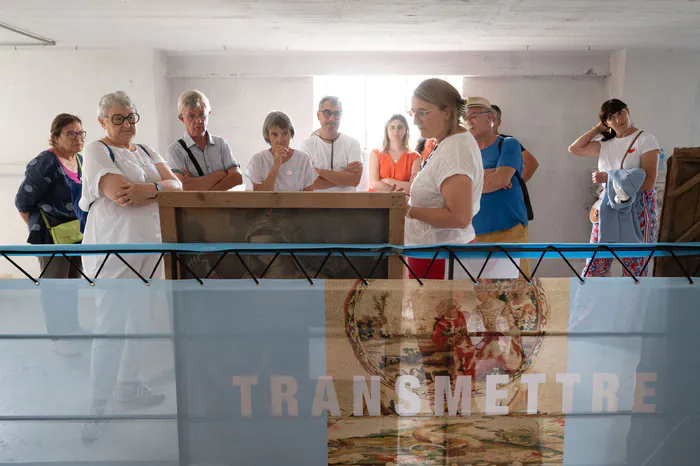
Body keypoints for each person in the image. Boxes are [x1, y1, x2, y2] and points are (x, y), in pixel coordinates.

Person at [78, 90, 183, 442]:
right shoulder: (97, 151)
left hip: (150, 252)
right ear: (103, 122)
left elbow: (177, 185)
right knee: (110, 328)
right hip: (115, 255)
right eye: (118, 118)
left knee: (140, 323)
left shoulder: (148, 151)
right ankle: (97, 405)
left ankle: (129, 386)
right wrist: (154, 189)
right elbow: (118, 192)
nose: (126, 124)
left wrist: (148, 189)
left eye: (130, 117)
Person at [15, 113, 86, 357]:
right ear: (56, 137)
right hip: (49, 236)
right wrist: (38, 229)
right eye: (71, 133)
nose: (78, 138)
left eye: (80, 133)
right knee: (55, 288)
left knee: (72, 284)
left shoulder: (80, 160)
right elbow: (22, 201)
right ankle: (59, 339)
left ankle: (72, 328)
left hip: (75, 234)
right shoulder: (45, 162)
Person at [568, 98, 660, 277]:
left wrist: (609, 178)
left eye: (620, 113)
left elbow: (648, 182)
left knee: (635, 267)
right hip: (608, 206)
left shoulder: (645, 139)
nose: (618, 119)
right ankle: (594, 305)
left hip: (638, 206)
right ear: (605, 122)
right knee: (595, 264)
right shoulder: (605, 144)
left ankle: (634, 305)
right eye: (611, 117)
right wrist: (597, 129)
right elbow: (574, 148)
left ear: (627, 111)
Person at [404, 79, 484, 279]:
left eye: (423, 112)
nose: (415, 120)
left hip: (442, 257)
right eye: (413, 112)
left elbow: (459, 217)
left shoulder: (455, 150)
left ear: (447, 112)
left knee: (438, 311)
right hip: (435, 253)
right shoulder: (448, 142)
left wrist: (408, 211)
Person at [465, 97, 530, 276]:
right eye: (466, 117)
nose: (468, 121)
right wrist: (489, 174)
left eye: (474, 115)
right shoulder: (466, 153)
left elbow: (499, 181)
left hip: (508, 229)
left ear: (490, 117)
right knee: (481, 295)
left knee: (515, 294)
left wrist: (490, 178)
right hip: (474, 233)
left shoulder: (508, 144)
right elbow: (455, 187)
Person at [166, 89, 243, 191]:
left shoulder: (220, 144)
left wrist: (205, 192)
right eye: (191, 116)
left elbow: (237, 178)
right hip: (193, 207)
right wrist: (220, 175)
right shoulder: (175, 151)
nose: (198, 121)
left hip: (223, 206)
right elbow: (183, 186)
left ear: (209, 114)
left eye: (202, 115)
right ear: (181, 119)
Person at [300, 96, 363, 192]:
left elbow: (354, 180)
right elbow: (308, 183)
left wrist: (320, 172)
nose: (332, 118)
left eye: (337, 114)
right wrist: (343, 176)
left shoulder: (353, 143)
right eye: (327, 113)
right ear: (318, 115)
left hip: (348, 205)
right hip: (317, 206)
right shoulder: (307, 144)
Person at [245, 111, 317, 191]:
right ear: (268, 136)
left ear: (291, 134)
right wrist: (276, 165)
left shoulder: (304, 159)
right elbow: (258, 197)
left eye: (285, 133)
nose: (280, 140)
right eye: (274, 134)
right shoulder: (258, 160)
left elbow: (309, 196)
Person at [368, 114, 420, 192]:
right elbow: (373, 184)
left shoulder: (415, 157)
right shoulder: (375, 153)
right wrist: (395, 193)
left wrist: (387, 181)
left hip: (402, 202)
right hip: (376, 201)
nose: (396, 131)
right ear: (387, 131)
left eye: (400, 127)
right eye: (392, 127)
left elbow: (412, 187)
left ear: (406, 130)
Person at [491, 104, 539, 182]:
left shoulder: (507, 142)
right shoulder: (475, 142)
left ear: (499, 122)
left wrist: (517, 184)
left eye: (493, 119)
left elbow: (532, 164)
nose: (489, 123)